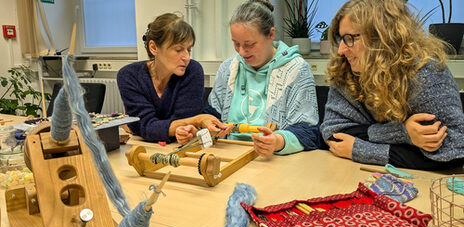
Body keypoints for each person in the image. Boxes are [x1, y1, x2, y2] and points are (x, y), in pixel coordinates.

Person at [320, 0, 464, 170]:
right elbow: (335, 135)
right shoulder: (345, 70)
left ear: (381, 37)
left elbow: (453, 151)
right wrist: (403, 133)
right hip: (358, 175)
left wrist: (362, 149)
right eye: (340, 39)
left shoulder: (425, 72)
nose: (341, 50)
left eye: (350, 38)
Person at [176, 0, 321, 157]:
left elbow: (309, 133)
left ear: (271, 34)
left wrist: (278, 141)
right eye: (236, 44)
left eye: (249, 44)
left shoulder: (296, 70)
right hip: (228, 155)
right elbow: (212, 117)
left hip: (274, 161)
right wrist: (199, 131)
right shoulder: (228, 69)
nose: (242, 52)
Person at [118, 13, 220, 142]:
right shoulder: (129, 76)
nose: (187, 57)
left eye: (189, 49)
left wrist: (159, 128)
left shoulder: (192, 71)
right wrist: (196, 120)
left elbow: (185, 129)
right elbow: (144, 127)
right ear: (154, 47)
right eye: (178, 50)